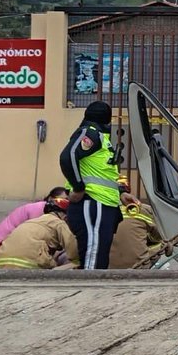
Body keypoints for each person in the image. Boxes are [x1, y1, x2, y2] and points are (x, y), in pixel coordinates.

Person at [59, 101, 123, 269]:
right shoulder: (90, 133)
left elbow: (102, 173)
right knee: (92, 260)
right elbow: (68, 156)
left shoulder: (102, 138)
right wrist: (78, 187)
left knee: (99, 259)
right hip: (92, 203)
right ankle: (88, 293)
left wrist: (121, 192)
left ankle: (96, 294)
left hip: (103, 204)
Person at [0, 188, 70, 264]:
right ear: (51, 199)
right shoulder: (40, 210)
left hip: (0, 244)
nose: (65, 203)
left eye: (68, 200)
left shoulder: (43, 209)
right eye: (63, 199)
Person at [0, 207, 79, 270]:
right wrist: (77, 260)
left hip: (2, 262)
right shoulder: (59, 223)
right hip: (29, 263)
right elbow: (70, 242)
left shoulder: (32, 221)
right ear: (65, 217)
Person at [108, 189, 165, 268]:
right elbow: (159, 235)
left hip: (108, 266)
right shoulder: (142, 209)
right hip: (139, 266)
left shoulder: (104, 210)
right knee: (161, 243)